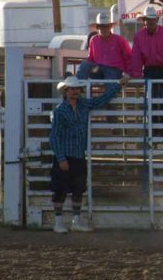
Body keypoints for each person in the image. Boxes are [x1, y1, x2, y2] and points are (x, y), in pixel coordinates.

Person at [49, 74, 129, 233]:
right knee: (61, 189)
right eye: (72, 89)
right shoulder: (59, 111)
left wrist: (118, 85)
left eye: (76, 89)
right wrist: (60, 158)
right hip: (66, 155)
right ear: (66, 91)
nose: (75, 91)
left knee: (78, 188)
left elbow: (102, 99)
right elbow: (54, 136)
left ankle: (74, 221)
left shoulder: (83, 104)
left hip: (78, 154)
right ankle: (59, 222)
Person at [129, 5, 163, 99]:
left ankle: (162, 112)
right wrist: (137, 75)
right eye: (148, 19)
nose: (150, 21)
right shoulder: (139, 36)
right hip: (149, 70)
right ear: (144, 20)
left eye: (152, 19)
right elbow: (136, 58)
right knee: (151, 99)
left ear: (156, 20)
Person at [77, 13, 132, 80]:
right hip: (98, 70)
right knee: (85, 64)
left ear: (110, 26)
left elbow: (128, 57)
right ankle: (79, 86)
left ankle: (81, 85)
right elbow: (91, 58)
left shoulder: (119, 40)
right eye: (102, 26)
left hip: (114, 70)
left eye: (107, 26)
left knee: (111, 79)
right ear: (98, 27)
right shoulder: (93, 40)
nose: (105, 28)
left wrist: (128, 73)